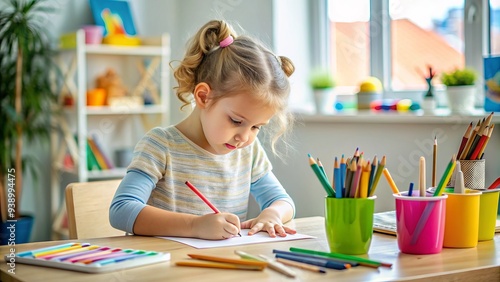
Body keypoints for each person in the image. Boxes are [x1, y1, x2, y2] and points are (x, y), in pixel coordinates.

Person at [109, 19, 296, 240]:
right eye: (236, 121)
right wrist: (194, 226)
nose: (244, 137)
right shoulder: (161, 146)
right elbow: (121, 210)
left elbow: (284, 202)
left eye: (256, 127)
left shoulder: (248, 152)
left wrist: (273, 214)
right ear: (203, 97)